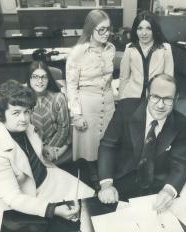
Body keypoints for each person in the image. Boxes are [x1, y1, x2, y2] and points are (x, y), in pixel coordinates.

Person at [0, 80, 94, 232]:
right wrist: (53, 210)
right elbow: (13, 198)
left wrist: (44, 148)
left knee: (81, 214)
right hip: (13, 202)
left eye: (27, 111)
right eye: (16, 113)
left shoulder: (24, 127)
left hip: (43, 182)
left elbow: (29, 147)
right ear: (1, 114)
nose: (24, 119)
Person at [97, 74, 186, 212]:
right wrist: (106, 184)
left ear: (176, 99)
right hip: (120, 183)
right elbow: (107, 147)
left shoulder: (181, 122)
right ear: (147, 94)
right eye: (155, 96)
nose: (160, 105)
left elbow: (180, 163)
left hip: (157, 189)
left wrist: (169, 190)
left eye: (168, 99)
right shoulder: (125, 109)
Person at [65, 9, 116, 186]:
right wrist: (76, 114)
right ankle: (93, 169)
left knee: (108, 139)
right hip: (87, 103)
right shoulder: (77, 53)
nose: (106, 33)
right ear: (90, 29)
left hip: (108, 101)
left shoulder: (111, 49)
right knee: (91, 143)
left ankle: (106, 168)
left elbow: (109, 77)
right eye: (101, 29)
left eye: (108, 29)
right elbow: (71, 86)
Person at [118, 10, 174, 100]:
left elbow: (169, 81)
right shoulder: (129, 48)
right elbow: (124, 77)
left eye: (148, 28)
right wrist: (122, 99)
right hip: (131, 96)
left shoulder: (166, 49)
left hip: (156, 98)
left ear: (155, 29)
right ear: (135, 30)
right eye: (140, 28)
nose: (144, 33)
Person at [26, 61, 70, 163]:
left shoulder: (58, 98)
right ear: (29, 79)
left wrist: (50, 148)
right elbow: (26, 130)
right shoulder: (25, 100)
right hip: (34, 146)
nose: (40, 81)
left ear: (48, 79)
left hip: (56, 144)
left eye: (44, 77)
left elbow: (63, 129)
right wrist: (42, 148)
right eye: (35, 77)